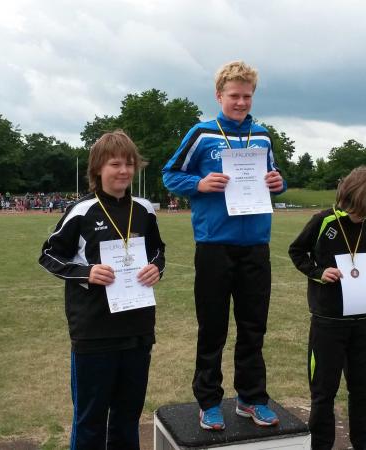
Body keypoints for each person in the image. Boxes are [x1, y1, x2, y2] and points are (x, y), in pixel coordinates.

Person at [162, 60, 286, 431]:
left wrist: (278, 183)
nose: (241, 102)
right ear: (219, 96)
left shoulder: (262, 136)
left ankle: (251, 398)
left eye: (247, 96)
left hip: (256, 245)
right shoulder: (202, 134)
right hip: (214, 245)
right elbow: (171, 174)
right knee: (212, 328)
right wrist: (199, 184)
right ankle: (209, 401)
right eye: (234, 95)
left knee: (254, 327)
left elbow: (274, 177)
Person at [39, 130, 166, 450]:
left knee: (127, 417)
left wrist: (156, 268)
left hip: (137, 329)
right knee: (90, 420)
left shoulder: (144, 209)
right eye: (115, 164)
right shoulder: (81, 211)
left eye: (129, 164)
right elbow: (50, 255)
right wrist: (87, 272)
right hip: (94, 331)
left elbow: (157, 250)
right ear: (98, 168)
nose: (124, 171)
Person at [288, 166, 366, 450]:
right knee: (324, 393)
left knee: (363, 391)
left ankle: (362, 444)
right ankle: (321, 445)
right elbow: (296, 251)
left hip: (363, 321)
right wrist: (319, 272)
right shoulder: (323, 221)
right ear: (347, 198)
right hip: (328, 322)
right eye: (359, 211)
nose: (363, 217)